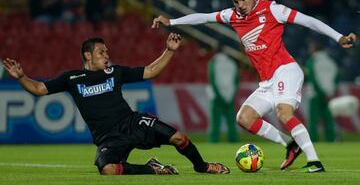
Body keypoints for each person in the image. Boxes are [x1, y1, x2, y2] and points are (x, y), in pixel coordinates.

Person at [152, 0, 357, 173]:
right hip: (267, 81)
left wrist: (339, 37)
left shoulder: (273, 10)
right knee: (244, 118)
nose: (240, 4)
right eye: (235, 1)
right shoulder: (232, 15)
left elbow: (309, 21)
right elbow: (203, 17)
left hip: (285, 69)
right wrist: (171, 21)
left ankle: (315, 162)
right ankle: (291, 145)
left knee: (283, 113)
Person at [2, 33, 230, 175]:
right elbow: (40, 89)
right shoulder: (71, 78)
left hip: (132, 123)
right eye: (101, 52)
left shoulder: (115, 72)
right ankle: (151, 168)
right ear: (87, 56)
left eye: (107, 51)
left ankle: (201, 166)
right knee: (109, 170)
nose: (106, 55)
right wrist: (22, 77)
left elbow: (149, 71)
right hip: (107, 137)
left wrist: (168, 51)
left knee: (180, 138)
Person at [306, 41, 338, 142]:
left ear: (314, 49)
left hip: (315, 94)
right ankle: (331, 139)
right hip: (328, 94)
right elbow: (337, 77)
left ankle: (313, 140)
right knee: (328, 119)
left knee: (313, 119)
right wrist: (330, 92)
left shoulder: (312, 61)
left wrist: (321, 92)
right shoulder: (331, 61)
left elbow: (313, 78)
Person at [207, 44, 239, 143]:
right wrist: (231, 95)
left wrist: (219, 95)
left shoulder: (213, 63)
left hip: (216, 97)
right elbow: (236, 80)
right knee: (231, 122)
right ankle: (233, 141)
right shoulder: (232, 63)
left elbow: (212, 80)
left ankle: (213, 141)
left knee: (215, 122)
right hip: (229, 96)